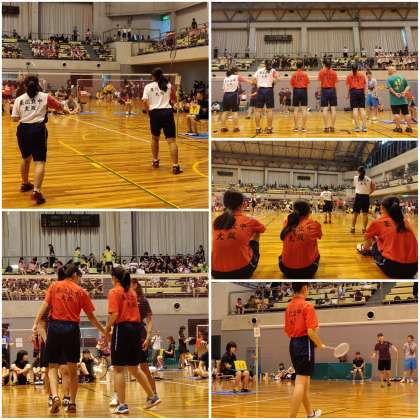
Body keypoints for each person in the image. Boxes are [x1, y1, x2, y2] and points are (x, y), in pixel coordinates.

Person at [32, 263, 106, 414]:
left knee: (52, 366)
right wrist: (103, 331)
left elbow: (44, 306)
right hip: (72, 329)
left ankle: (54, 396)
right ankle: (72, 403)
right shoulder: (81, 291)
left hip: (55, 327)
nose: (79, 279)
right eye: (79, 276)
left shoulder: (54, 286)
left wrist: (35, 323)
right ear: (74, 275)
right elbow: (91, 317)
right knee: (73, 369)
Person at [104, 267, 160, 414]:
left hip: (122, 328)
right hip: (136, 329)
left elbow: (114, 314)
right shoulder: (132, 293)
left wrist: (107, 328)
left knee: (118, 368)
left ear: (114, 278)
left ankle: (122, 404)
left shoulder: (114, 292)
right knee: (134, 368)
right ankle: (152, 396)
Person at [11, 75, 68, 204]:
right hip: (38, 131)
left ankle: (25, 183)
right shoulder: (45, 96)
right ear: (38, 84)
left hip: (23, 130)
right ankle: (36, 191)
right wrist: (66, 111)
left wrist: (26, 116)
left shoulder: (19, 99)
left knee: (25, 158)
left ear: (25, 85)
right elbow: (59, 106)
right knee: (39, 162)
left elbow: (14, 118)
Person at [284, 283, 323, 418]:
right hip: (304, 344)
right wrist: (318, 344)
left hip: (293, 344)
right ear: (305, 288)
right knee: (300, 382)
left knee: (304, 382)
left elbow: (288, 331)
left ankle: (310, 413)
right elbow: (311, 331)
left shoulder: (288, 307)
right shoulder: (307, 306)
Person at [357, 196, 418, 278]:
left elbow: (366, 246)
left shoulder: (376, 223)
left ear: (382, 207)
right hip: (414, 268)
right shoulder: (404, 221)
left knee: (375, 243)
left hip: (393, 268)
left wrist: (364, 249)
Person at [212, 190, 266, 279]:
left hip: (215, 272)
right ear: (242, 204)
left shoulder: (217, 221)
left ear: (225, 204)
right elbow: (262, 229)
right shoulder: (249, 220)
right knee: (257, 231)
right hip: (241, 271)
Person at [142, 68, 182, 174]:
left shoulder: (148, 87)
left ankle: (155, 161)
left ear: (153, 76)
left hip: (154, 114)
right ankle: (175, 166)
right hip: (167, 113)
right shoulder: (168, 85)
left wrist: (149, 113)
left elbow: (145, 102)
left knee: (155, 138)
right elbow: (174, 100)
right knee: (171, 141)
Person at [279, 201, 322, 279]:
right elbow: (319, 236)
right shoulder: (313, 224)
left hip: (285, 269)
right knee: (315, 245)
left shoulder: (287, 223)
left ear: (293, 210)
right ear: (308, 212)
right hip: (308, 271)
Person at [220, 67, 249, 133]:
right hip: (233, 95)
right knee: (235, 112)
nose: (239, 73)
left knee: (225, 112)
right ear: (235, 72)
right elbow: (246, 80)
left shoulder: (225, 78)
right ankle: (235, 127)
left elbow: (223, 89)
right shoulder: (237, 77)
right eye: (238, 72)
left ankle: (223, 127)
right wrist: (253, 82)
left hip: (225, 95)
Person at [253, 60, 279, 134]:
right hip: (269, 90)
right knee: (269, 110)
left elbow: (253, 80)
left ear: (264, 64)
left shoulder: (259, 70)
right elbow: (277, 80)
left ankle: (258, 128)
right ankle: (269, 128)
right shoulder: (273, 70)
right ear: (271, 64)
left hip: (260, 90)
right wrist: (273, 82)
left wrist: (258, 84)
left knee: (258, 111)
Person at [386, 66, 413, 133]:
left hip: (394, 101)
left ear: (392, 70)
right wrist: (404, 92)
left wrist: (395, 93)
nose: (387, 71)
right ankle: (409, 128)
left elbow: (390, 88)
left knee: (396, 113)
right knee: (406, 113)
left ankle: (398, 128)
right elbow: (408, 86)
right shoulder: (402, 77)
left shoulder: (389, 79)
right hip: (403, 100)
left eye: (388, 70)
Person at [350, 166, 375, 234]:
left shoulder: (355, 178)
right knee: (365, 214)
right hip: (366, 197)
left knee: (355, 213)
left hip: (358, 196)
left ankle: (353, 228)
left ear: (358, 172)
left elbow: (355, 185)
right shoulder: (370, 179)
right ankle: (364, 229)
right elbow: (373, 188)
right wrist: (368, 193)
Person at [317, 59, 338, 133]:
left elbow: (319, 83)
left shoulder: (321, 72)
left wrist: (319, 91)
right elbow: (336, 84)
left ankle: (326, 127)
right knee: (333, 109)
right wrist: (336, 93)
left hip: (324, 90)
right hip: (332, 90)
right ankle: (332, 127)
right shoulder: (334, 72)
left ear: (324, 65)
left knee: (325, 109)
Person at [346, 64, 367, 132]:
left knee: (355, 109)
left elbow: (348, 87)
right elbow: (365, 84)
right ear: (357, 68)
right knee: (362, 109)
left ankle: (357, 127)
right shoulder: (362, 75)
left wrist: (348, 95)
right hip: (361, 91)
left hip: (353, 92)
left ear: (351, 69)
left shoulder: (349, 75)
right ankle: (364, 127)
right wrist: (365, 93)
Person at [290, 61, 310, 132]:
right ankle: (303, 127)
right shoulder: (305, 74)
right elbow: (308, 84)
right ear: (302, 66)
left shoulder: (294, 74)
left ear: (296, 66)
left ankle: (296, 127)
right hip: (303, 90)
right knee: (304, 109)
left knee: (296, 109)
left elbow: (292, 84)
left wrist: (296, 89)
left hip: (296, 90)